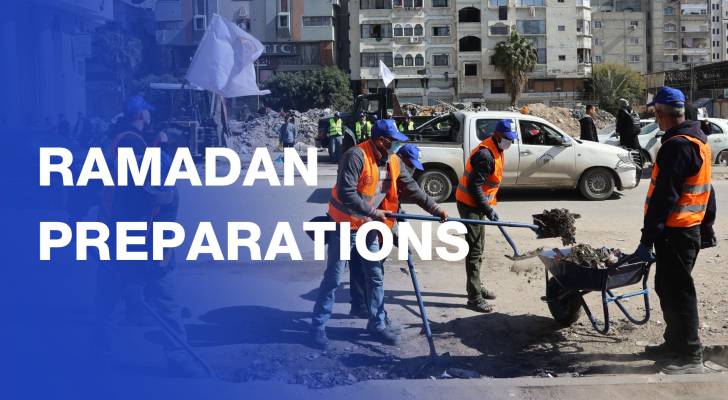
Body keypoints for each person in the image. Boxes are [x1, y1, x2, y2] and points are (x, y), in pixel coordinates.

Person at [95, 95, 207, 377]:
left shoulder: (119, 139)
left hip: (113, 237)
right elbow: (153, 207)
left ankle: (102, 354)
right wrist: (160, 254)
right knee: (164, 298)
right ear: (141, 113)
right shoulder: (135, 149)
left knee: (108, 299)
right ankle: (178, 359)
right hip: (128, 238)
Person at [311, 120, 448, 349]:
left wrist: (435, 208)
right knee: (334, 278)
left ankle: (377, 324)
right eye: (393, 142)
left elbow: (412, 188)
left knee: (375, 276)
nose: (396, 146)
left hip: (368, 226)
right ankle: (317, 326)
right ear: (382, 141)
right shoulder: (355, 156)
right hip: (344, 225)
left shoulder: (393, 160)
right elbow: (346, 194)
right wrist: (375, 213)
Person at [631, 86, 717, 375]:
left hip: (676, 233)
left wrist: (647, 239)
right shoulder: (697, 140)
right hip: (685, 231)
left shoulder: (677, 146)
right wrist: (707, 226)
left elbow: (664, 198)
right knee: (666, 288)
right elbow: (708, 191)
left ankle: (691, 357)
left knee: (679, 294)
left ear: (659, 113)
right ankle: (674, 344)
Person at [348, 143, 425, 318]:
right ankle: (365, 308)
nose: (412, 170)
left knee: (371, 271)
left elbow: (396, 206)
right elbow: (378, 206)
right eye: (410, 165)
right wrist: (398, 235)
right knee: (365, 269)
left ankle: (368, 307)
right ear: (401, 159)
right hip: (365, 226)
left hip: (380, 228)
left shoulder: (397, 175)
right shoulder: (384, 174)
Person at [455, 119, 517, 313]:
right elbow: (474, 186)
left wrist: (487, 207)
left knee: (479, 247)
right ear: (498, 136)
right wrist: (488, 210)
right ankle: (474, 298)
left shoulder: (497, 149)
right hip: (469, 204)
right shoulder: (485, 155)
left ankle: (476, 284)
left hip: (478, 205)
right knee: (474, 249)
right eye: (507, 139)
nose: (510, 143)